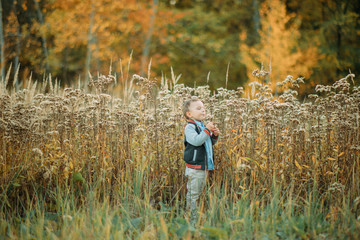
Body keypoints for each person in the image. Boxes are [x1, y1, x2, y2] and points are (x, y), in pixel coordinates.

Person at [182, 98, 220, 222]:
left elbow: (208, 143)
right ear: (189, 114)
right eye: (198, 108)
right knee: (193, 195)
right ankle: (191, 220)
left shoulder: (202, 126)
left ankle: (194, 216)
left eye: (203, 107)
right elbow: (197, 141)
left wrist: (214, 135)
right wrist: (207, 130)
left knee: (197, 194)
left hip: (202, 167)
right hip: (195, 167)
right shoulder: (190, 127)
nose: (203, 110)